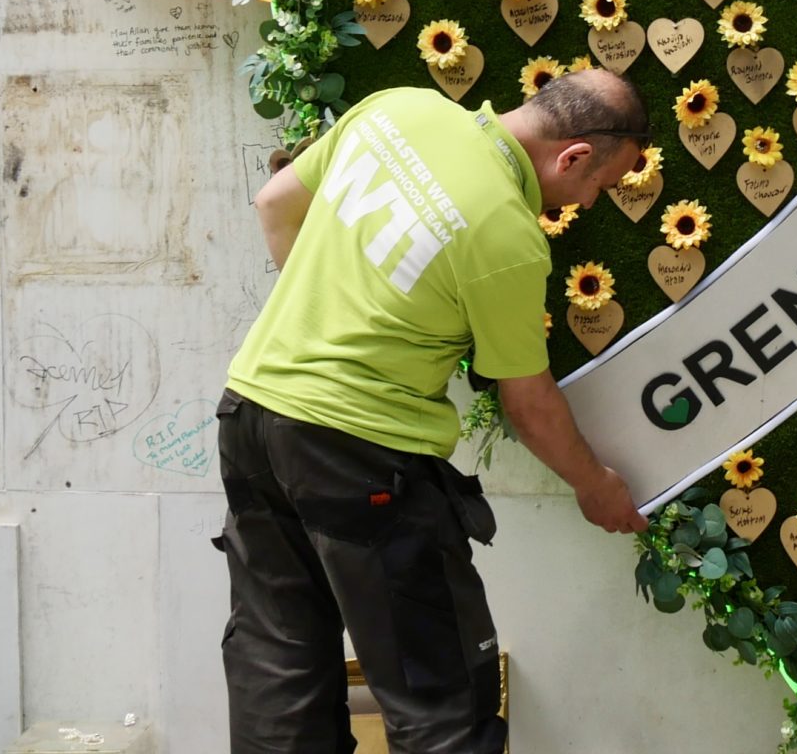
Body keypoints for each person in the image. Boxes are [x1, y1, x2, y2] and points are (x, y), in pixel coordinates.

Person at [218, 70, 652, 754]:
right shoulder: (506, 234)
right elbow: (528, 402)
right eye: (598, 184)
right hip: (360, 456)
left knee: (279, 671)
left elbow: (274, 203)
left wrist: (335, 314)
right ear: (570, 156)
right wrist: (596, 485)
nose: (589, 202)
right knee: (440, 701)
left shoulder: (397, 107)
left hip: (253, 415)